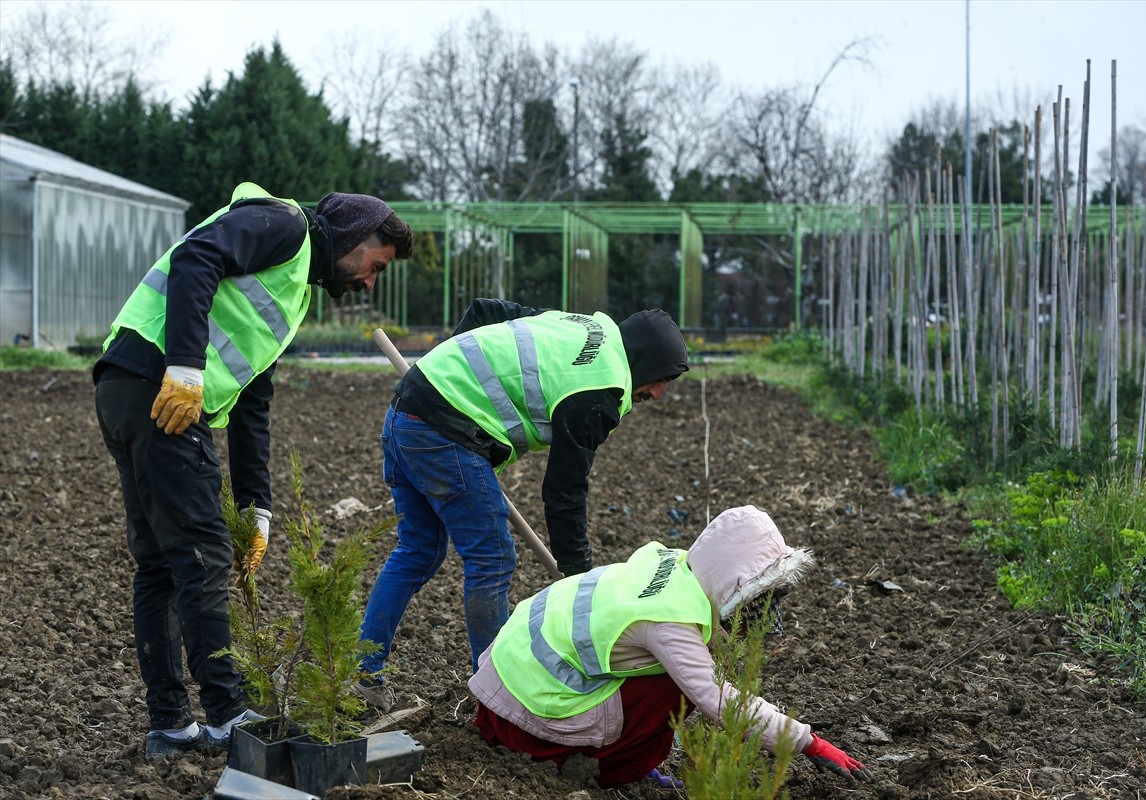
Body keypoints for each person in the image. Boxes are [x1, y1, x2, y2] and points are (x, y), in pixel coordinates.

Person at [93, 181, 414, 758]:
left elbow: (252, 403)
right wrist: (185, 367)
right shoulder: (286, 226)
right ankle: (226, 715)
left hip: (128, 388)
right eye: (376, 266)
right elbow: (196, 257)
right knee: (202, 554)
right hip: (161, 388)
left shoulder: (292, 289)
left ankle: (171, 725)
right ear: (354, 236)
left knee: (162, 564)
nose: (369, 282)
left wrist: (256, 507)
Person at [358, 298, 690, 703]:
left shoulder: (577, 325)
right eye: (663, 379)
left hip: (406, 413)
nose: (658, 394)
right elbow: (564, 490)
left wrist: (443, 374)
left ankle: (363, 674)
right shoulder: (599, 389)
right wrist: (578, 575)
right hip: (442, 433)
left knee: (418, 550)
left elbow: (484, 311)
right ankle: (497, 693)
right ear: (647, 361)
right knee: (492, 558)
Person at [468, 505, 872, 788]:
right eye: (758, 596)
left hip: (510, 679)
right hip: (526, 711)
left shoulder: (674, 567)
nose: (764, 611)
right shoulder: (668, 622)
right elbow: (720, 701)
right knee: (677, 686)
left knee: (679, 671)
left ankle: (616, 756)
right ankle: (610, 768)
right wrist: (809, 743)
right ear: (730, 578)